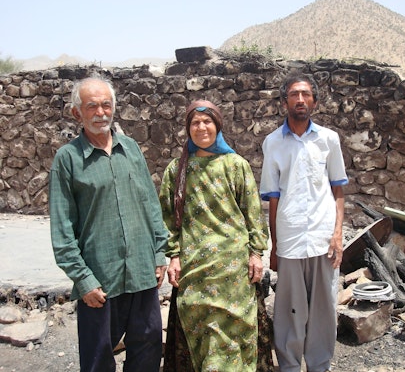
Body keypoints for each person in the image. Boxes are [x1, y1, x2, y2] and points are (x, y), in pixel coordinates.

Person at [49, 74, 168, 372]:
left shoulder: (130, 148)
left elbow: (151, 206)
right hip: (100, 281)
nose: (101, 113)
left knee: (148, 351)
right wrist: (83, 279)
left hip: (142, 274)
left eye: (106, 105)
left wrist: (158, 255)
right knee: (98, 359)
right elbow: (62, 232)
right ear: (78, 113)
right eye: (92, 106)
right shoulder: (68, 159)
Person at [159, 100, 271, 371]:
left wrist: (256, 253)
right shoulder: (177, 170)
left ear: (217, 125)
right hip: (193, 269)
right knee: (200, 333)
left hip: (234, 271)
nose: (201, 127)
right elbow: (166, 219)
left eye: (207, 121)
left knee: (235, 332)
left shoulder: (235, 165)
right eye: (195, 122)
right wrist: (173, 256)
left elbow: (253, 213)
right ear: (188, 128)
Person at [260, 73, 349, 372]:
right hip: (290, 238)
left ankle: (319, 365)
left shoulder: (328, 140)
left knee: (324, 309)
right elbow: (273, 199)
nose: (300, 99)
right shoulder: (272, 143)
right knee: (289, 311)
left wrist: (337, 235)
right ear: (284, 101)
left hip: (324, 238)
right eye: (294, 94)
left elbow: (338, 189)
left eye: (306, 94)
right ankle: (288, 366)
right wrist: (274, 246)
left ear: (314, 101)